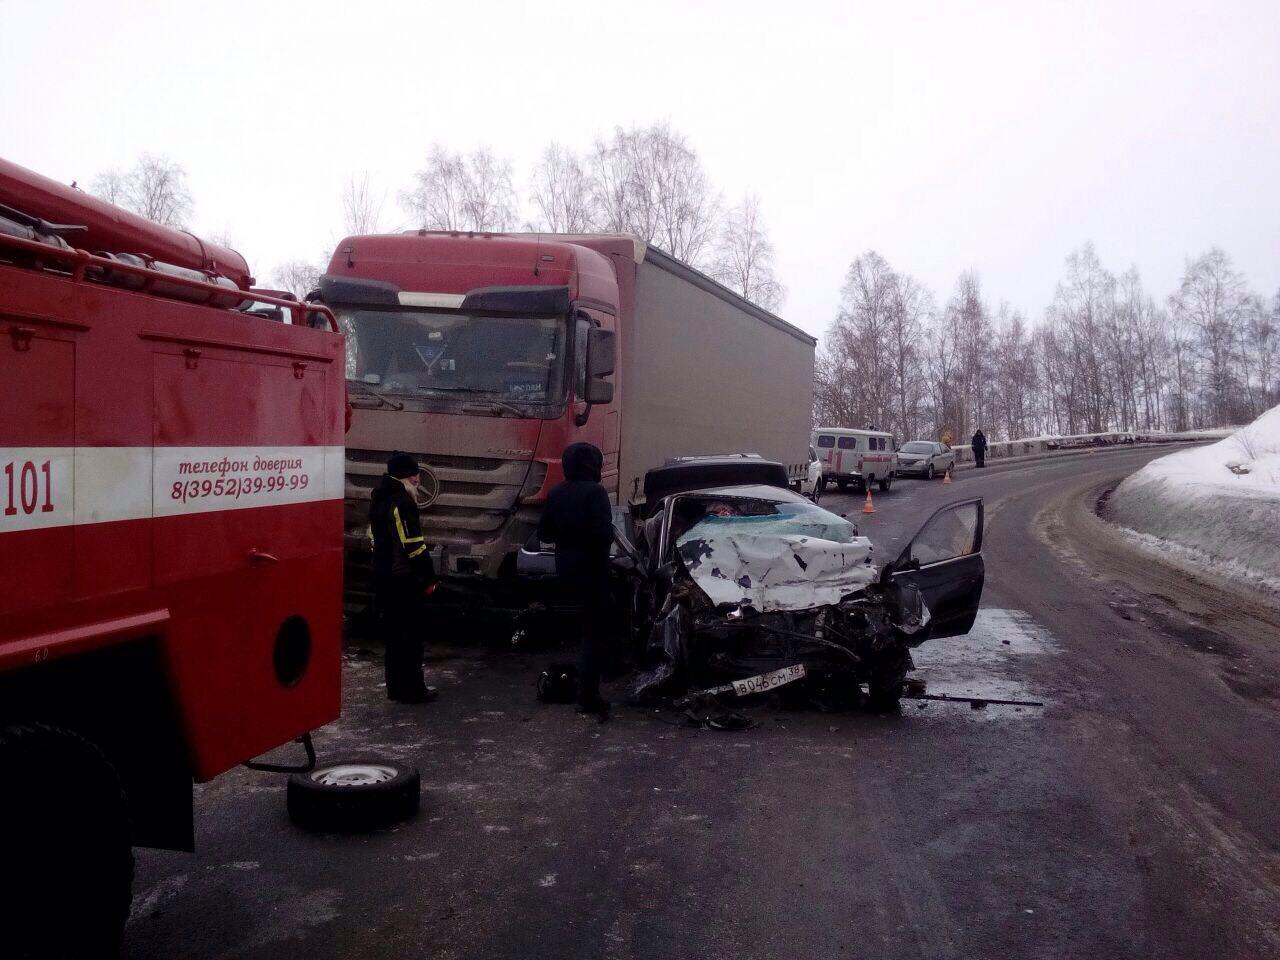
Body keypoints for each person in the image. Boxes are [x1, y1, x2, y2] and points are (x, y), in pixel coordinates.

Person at [537, 442, 614, 720]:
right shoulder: (596, 493)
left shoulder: (557, 492)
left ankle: (575, 685)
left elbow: (544, 533)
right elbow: (604, 534)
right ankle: (588, 697)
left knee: (580, 630)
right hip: (592, 572)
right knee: (595, 635)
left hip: (565, 570)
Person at [368, 451, 438, 703]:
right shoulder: (402, 501)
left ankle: (395, 688)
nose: (419, 478)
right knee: (411, 636)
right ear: (409, 476)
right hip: (403, 580)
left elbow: (374, 539)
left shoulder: (378, 498)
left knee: (394, 637)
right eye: (416, 473)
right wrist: (429, 578)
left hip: (383, 575)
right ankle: (413, 689)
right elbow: (414, 546)